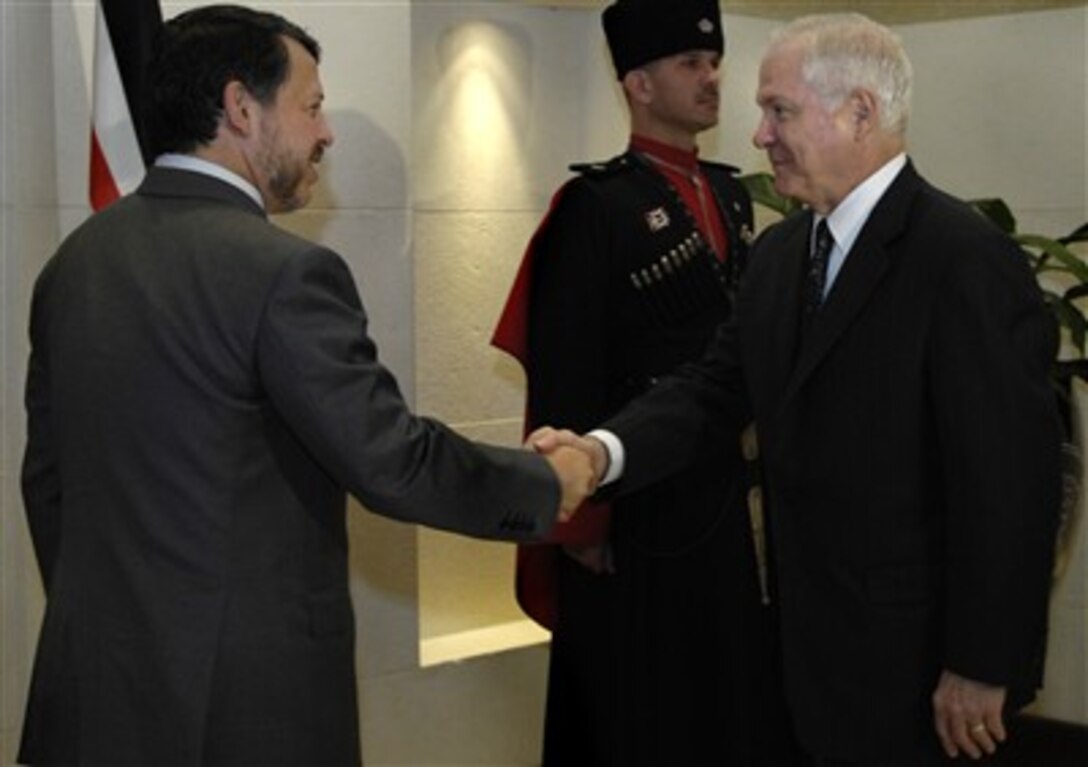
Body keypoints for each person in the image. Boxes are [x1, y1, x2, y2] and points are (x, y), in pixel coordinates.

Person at [17, 5, 595, 766]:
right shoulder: (285, 273)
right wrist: (549, 479)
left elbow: (47, 486)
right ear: (240, 108)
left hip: (91, 700)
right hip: (246, 714)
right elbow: (392, 461)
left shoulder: (73, 265)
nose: (326, 133)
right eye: (313, 106)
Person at [531, 12, 1062, 767]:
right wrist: (597, 452)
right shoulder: (783, 255)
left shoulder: (962, 261)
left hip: (919, 676)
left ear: (860, 113)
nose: (758, 134)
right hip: (799, 658)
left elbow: (1009, 485)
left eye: (779, 110)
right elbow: (713, 390)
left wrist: (982, 662)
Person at [492, 1, 804, 764]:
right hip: (630, 503)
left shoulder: (733, 194)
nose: (711, 80)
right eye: (690, 65)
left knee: (722, 695)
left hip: (721, 498)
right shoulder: (595, 206)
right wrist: (582, 522)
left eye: (715, 63)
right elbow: (567, 366)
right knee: (637, 706)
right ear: (638, 82)